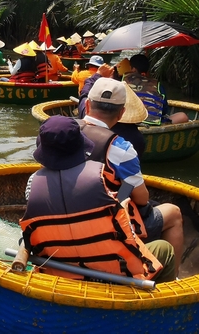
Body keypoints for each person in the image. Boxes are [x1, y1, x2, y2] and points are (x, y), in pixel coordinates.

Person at [20, 115, 174, 283]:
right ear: (80, 145)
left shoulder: (32, 184)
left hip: (58, 270)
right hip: (113, 271)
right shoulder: (102, 176)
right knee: (164, 248)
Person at [79, 78, 183, 272]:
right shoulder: (122, 148)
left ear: (87, 105)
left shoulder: (64, 133)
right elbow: (142, 199)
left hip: (67, 214)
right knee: (174, 213)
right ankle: (174, 276)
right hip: (106, 224)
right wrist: (124, 189)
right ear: (121, 113)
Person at [123, 54, 190, 125]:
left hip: (128, 123)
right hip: (152, 123)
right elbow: (164, 110)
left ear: (133, 69)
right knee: (182, 116)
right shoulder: (157, 84)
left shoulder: (123, 82)